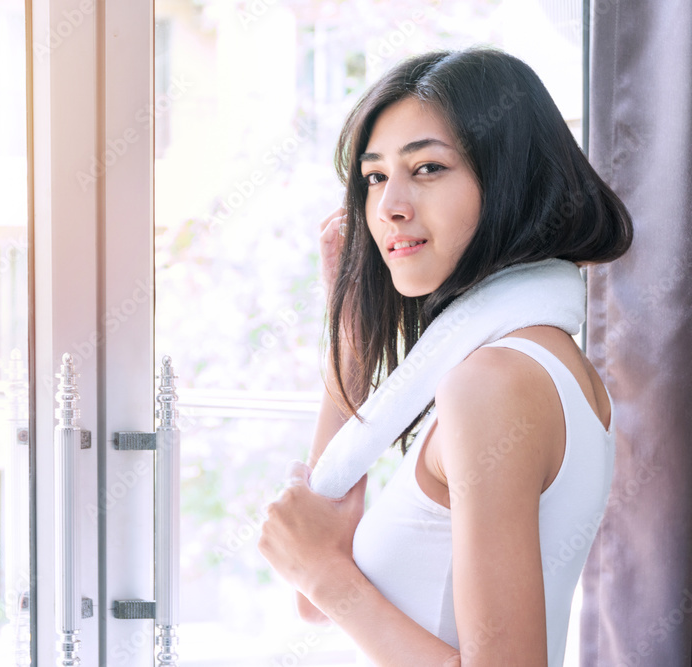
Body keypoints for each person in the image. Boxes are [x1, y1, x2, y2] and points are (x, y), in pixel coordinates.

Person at [258, 48, 632, 666]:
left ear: (510, 179)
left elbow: (322, 581)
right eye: (375, 177)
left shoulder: (495, 381)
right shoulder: (532, 360)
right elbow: (314, 591)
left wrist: (325, 575)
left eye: (428, 167)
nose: (389, 207)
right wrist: (351, 341)